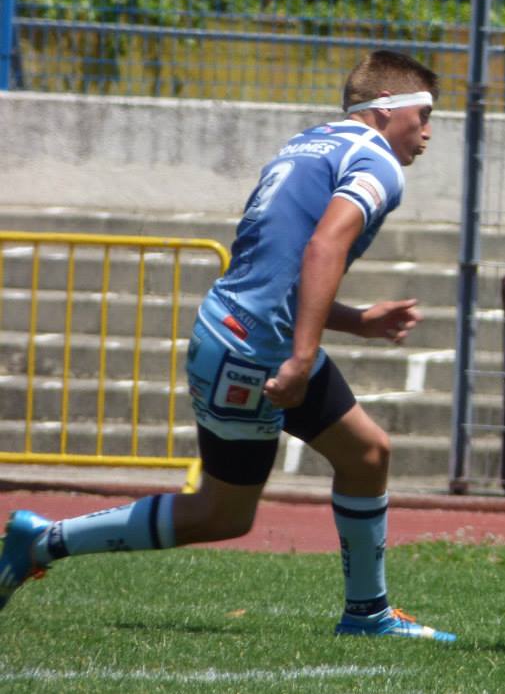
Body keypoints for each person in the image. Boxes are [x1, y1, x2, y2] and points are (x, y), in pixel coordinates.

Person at [0, 50, 456, 643]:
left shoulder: (305, 145)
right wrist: (299, 358)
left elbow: (274, 268)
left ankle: (368, 614)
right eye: (424, 115)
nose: (427, 132)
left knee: (367, 454)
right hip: (254, 350)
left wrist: (356, 321)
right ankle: (42, 541)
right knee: (222, 513)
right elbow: (323, 249)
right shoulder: (378, 163)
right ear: (387, 108)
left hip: (241, 331)